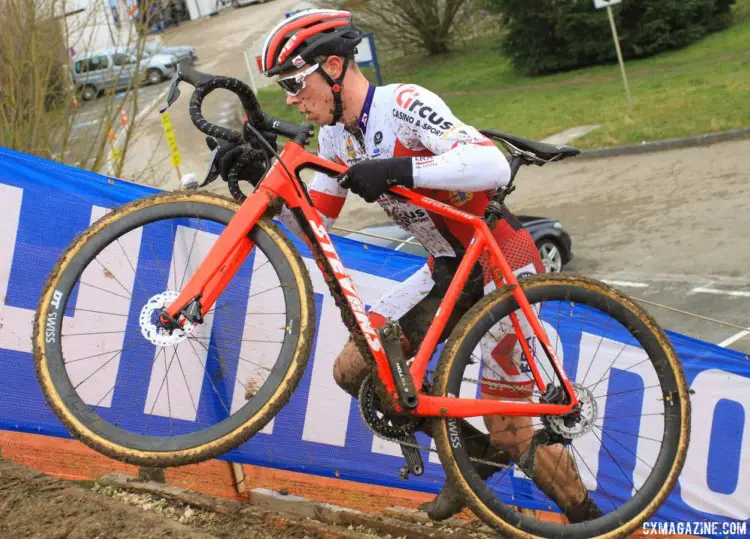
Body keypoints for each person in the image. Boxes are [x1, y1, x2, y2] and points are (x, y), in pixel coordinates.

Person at [211, 8, 603, 523]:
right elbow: (315, 221)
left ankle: (592, 523)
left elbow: (489, 163)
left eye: (294, 82)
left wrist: (400, 168)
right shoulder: (335, 136)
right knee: (358, 368)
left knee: (510, 428)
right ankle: (471, 460)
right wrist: (262, 170)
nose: (289, 98)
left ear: (333, 66)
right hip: (447, 269)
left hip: (499, 263)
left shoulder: (403, 103)